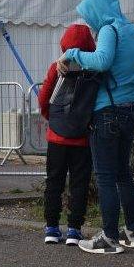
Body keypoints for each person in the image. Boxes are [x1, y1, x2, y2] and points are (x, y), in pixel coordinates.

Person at [58, 0, 134, 254]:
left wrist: (72, 53)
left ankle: (108, 238)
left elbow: (102, 61)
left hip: (107, 111)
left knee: (106, 177)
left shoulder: (110, 30)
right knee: (123, 174)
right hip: (131, 108)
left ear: (98, 10)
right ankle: (133, 232)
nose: (89, 22)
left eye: (89, 15)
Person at [37, 24, 97, 245]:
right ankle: (74, 229)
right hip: (82, 137)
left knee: (54, 182)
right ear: (90, 45)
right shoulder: (93, 69)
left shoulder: (57, 67)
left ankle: (52, 228)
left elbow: (44, 98)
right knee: (79, 184)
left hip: (57, 137)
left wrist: (52, 119)